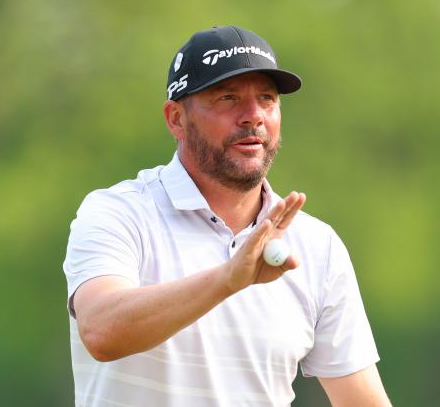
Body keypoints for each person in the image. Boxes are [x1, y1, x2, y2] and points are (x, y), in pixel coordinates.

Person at [63, 25, 392, 407]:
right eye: (227, 98)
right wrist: (227, 280)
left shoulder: (318, 246)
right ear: (176, 119)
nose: (253, 116)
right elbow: (101, 331)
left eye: (266, 99)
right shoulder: (119, 212)